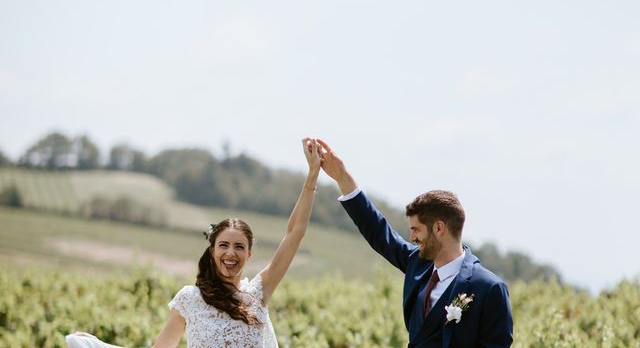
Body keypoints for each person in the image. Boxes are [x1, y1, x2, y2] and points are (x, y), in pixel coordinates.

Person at [66, 137, 322, 348]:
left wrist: (311, 177)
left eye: (239, 246)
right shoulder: (189, 299)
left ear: (250, 254)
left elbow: (295, 232)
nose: (230, 253)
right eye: (223, 245)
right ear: (212, 251)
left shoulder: (258, 293)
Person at [315, 139, 513, 348]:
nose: (412, 238)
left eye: (416, 229)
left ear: (439, 228)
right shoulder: (417, 263)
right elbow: (378, 231)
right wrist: (342, 177)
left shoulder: (489, 288)